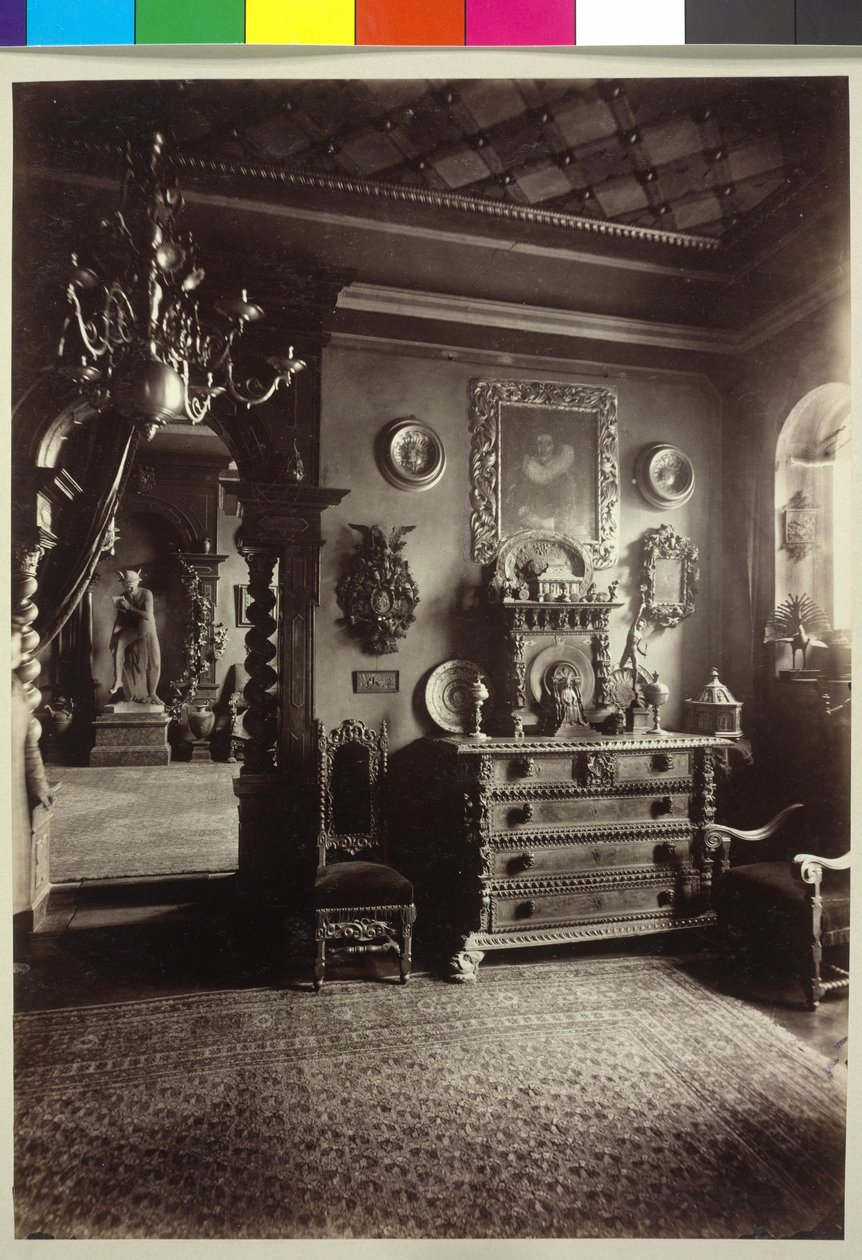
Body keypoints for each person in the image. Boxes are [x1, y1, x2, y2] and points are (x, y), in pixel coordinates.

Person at [109, 566, 161, 703]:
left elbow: (149, 616)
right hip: (135, 629)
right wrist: (112, 638)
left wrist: (130, 607)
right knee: (119, 643)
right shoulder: (123, 596)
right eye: (126, 585)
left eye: (131, 585)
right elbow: (119, 620)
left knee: (156, 663)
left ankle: (153, 693)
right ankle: (118, 680)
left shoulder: (146, 593)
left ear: (137, 582)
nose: (129, 588)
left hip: (149, 628)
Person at [513, 431, 577, 533]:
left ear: (555, 447)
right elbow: (514, 503)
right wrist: (522, 513)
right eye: (539, 443)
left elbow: (568, 514)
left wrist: (541, 523)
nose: (543, 449)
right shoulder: (524, 474)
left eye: (548, 444)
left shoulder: (565, 479)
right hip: (525, 532)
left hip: (554, 533)